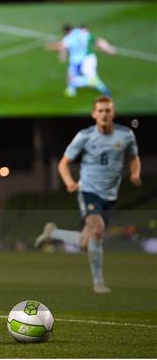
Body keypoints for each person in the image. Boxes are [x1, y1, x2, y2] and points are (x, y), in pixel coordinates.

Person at [35, 96, 141, 293]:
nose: (104, 114)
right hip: (88, 190)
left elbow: (134, 157)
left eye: (108, 110)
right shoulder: (84, 136)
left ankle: (53, 233)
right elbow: (63, 163)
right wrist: (69, 183)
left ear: (113, 113)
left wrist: (135, 173)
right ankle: (98, 282)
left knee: (86, 242)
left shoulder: (125, 135)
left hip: (110, 196)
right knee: (97, 229)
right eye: (100, 111)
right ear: (94, 114)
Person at [47, 24, 116, 98]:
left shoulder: (68, 38)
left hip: (81, 60)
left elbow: (62, 46)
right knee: (72, 75)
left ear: (66, 32)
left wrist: (50, 47)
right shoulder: (81, 33)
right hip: (85, 58)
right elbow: (98, 40)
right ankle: (72, 90)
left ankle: (91, 85)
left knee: (82, 79)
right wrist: (108, 48)